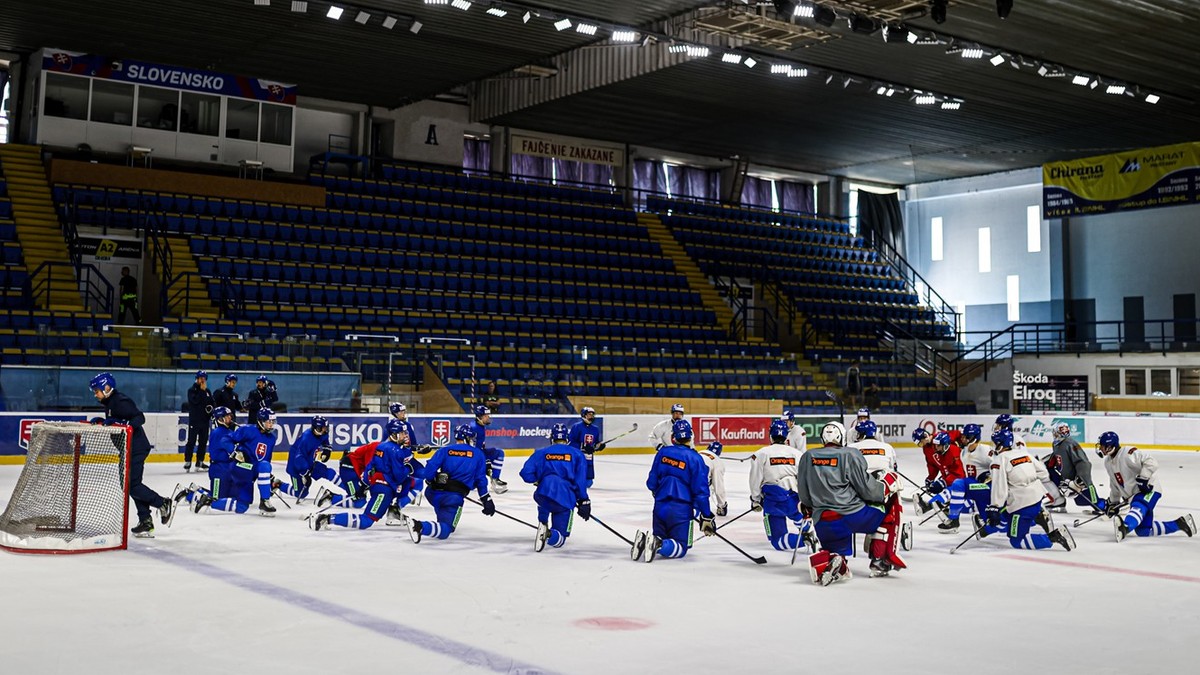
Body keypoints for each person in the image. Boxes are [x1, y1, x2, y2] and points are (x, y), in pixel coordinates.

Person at [796, 421, 901, 585]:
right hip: (853, 515)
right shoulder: (850, 454)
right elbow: (867, 490)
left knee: (836, 550)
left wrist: (812, 507)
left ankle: (835, 560)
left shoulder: (807, 457)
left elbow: (804, 495)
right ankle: (879, 561)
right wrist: (885, 488)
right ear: (842, 437)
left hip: (824, 521)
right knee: (887, 515)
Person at [90, 372, 173, 537]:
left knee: (132, 485)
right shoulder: (110, 403)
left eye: (97, 390)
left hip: (136, 448)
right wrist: (104, 420)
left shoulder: (120, 401)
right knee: (129, 485)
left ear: (107, 388)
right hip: (127, 448)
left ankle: (162, 503)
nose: (95, 394)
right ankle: (145, 520)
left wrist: (119, 422)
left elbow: (139, 418)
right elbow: (118, 420)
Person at [631, 419, 715, 563]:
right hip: (681, 509)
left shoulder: (663, 452)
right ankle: (657, 543)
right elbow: (701, 493)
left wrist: (658, 492)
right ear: (691, 436)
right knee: (682, 547)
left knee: (661, 538)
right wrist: (706, 516)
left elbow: (651, 482)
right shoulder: (695, 458)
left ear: (673, 437)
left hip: (660, 507)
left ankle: (647, 540)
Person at [309, 420, 413, 532]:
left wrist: (364, 484)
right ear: (393, 434)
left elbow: (370, 466)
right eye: (402, 433)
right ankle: (327, 515)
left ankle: (328, 513)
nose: (405, 435)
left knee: (360, 502)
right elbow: (398, 476)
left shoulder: (382, 446)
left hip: (377, 485)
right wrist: (407, 468)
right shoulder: (394, 450)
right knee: (363, 515)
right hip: (362, 477)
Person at [979, 429, 1075, 550]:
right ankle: (987, 530)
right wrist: (1028, 480)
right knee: (1005, 512)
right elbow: (1043, 473)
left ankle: (1053, 537)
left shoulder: (999, 461)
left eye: (995, 442)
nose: (993, 446)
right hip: (1037, 499)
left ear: (1000, 444)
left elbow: (999, 487)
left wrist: (995, 506)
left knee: (1016, 541)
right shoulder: (1024, 454)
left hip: (1022, 506)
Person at [404, 423, 495, 542]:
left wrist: (433, 480)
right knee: (447, 529)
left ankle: (436, 524)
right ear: (466, 438)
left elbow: (428, 471)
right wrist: (486, 499)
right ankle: (420, 526)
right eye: (471, 438)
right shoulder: (478, 454)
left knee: (442, 514)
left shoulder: (445, 450)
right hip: (454, 497)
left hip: (432, 493)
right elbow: (481, 480)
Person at [1097, 431, 1195, 541]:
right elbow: (1114, 483)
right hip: (1136, 495)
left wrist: (1144, 477)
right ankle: (1180, 524)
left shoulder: (1128, 453)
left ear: (1110, 447)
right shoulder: (1108, 462)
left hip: (1150, 490)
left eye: (1102, 446)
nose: (1100, 449)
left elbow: (1151, 462)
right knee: (1143, 531)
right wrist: (1113, 503)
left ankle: (1125, 527)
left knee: (1138, 504)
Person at [519, 423, 591, 552]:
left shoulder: (541, 452)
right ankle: (549, 534)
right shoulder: (577, 454)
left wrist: (538, 480)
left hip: (543, 493)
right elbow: (580, 481)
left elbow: (525, 474)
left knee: (545, 501)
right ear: (567, 439)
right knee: (560, 539)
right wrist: (584, 500)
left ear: (552, 438)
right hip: (565, 497)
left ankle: (543, 520)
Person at [749, 420, 813, 553]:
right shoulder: (797, 454)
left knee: (777, 541)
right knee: (798, 515)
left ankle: (804, 539)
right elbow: (805, 479)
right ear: (786, 436)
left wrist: (755, 500)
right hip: (794, 501)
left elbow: (755, 480)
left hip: (772, 503)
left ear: (770, 435)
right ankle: (809, 531)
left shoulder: (760, 454)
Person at [917, 424, 992, 534]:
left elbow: (999, 467)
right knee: (957, 487)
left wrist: (991, 476)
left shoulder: (985, 450)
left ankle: (937, 505)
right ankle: (952, 518)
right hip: (974, 485)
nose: (963, 439)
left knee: (961, 493)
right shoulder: (964, 453)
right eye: (963, 436)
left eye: (966, 437)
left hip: (988, 487)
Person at [849, 420, 911, 552]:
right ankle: (896, 528)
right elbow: (894, 470)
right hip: (882, 490)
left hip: (857, 493)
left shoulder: (852, 447)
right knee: (892, 498)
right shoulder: (887, 447)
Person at [185, 407, 257, 515]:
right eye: (226, 417)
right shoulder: (218, 432)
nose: (229, 418)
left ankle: (198, 490)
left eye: (229, 416)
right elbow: (218, 453)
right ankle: (189, 494)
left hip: (229, 469)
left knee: (232, 497)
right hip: (219, 470)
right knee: (216, 498)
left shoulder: (228, 431)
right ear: (219, 419)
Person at [229, 408, 280, 516]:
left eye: (272, 422)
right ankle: (264, 502)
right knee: (264, 466)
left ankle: (208, 501)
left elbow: (265, 460)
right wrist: (234, 452)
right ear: (261, 421)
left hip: (251, 472)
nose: (271, 425)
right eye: (268, 422)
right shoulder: (247, 430)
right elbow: (226, 439)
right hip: (240, 466)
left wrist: (266, 477)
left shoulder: (271, 438)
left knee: (242, 507)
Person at [1046, 423, 1105, 513]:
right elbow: (1057, 456)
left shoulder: (1071, 444)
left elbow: (1084, 463)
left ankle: (1107, 506)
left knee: (1094, 501)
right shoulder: (1056, 444)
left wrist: (1080, 480)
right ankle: (1058, 502)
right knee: (1079, 501)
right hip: (1067, 481)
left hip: (1078, 482)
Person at [278, 415, 338, 503]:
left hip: (310, 463)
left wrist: (327, 450)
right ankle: (278, 484)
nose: (325, 430)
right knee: (301, 494)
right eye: (322, 428)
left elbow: (325, 441)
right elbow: (298, 459)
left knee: (329, 472)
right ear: (316, 428)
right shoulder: (306, 439)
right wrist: (305, 474)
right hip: (295, 468)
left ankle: (350, 490)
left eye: (325, 428)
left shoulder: (321, 433)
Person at [914, 429, 965, 513]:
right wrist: (931, 478)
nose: (921, 445)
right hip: (947, 472)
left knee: (949, 488)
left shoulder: (941, 439)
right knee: (941, 487)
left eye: (921, 442)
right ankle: (935, 503)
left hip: (955, 472)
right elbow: (932, 464)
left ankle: (936, 503)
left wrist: (962, 444)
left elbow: (957, 434)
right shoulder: (926, 449)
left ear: (925, 436)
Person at [472, 404, 506, 494]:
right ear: (479, 417)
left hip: (480, 453)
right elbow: (472, 449)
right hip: (474, 456)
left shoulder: (480, 426)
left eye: (488, 415)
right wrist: (485, 460)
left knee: (499, 453)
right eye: (486, 416)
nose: (488, 418)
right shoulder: (474, 428)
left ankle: (495, 478)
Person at [184, 370, 213, 472]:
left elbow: (211, 403)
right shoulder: (191, 390)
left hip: (205, 421)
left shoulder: (207, 391)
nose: (202, 380)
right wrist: (201, 391)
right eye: (201, 378)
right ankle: (188, 461)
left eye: (204, 378)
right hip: (195, 420)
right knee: (191, 441)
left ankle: (200, 461)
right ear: (197, 379)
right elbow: (195, 401)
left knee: (203, 442)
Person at [568, 406, 606, 483]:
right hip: (578, 455)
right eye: (589, 414)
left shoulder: (595, 429)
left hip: (589, 457)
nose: (591, 416)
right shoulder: (577, 426)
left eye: (592, 415)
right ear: (584, 415)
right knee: (576, 477)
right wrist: (583, 447)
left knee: (589, 482)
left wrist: (599, 446)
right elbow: (571, 442)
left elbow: (595, 443)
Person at [697, 440, 727, 517]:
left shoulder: (699, 452)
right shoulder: (718, 462)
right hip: (699, 486)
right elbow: (718, 486)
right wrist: (722, 505)